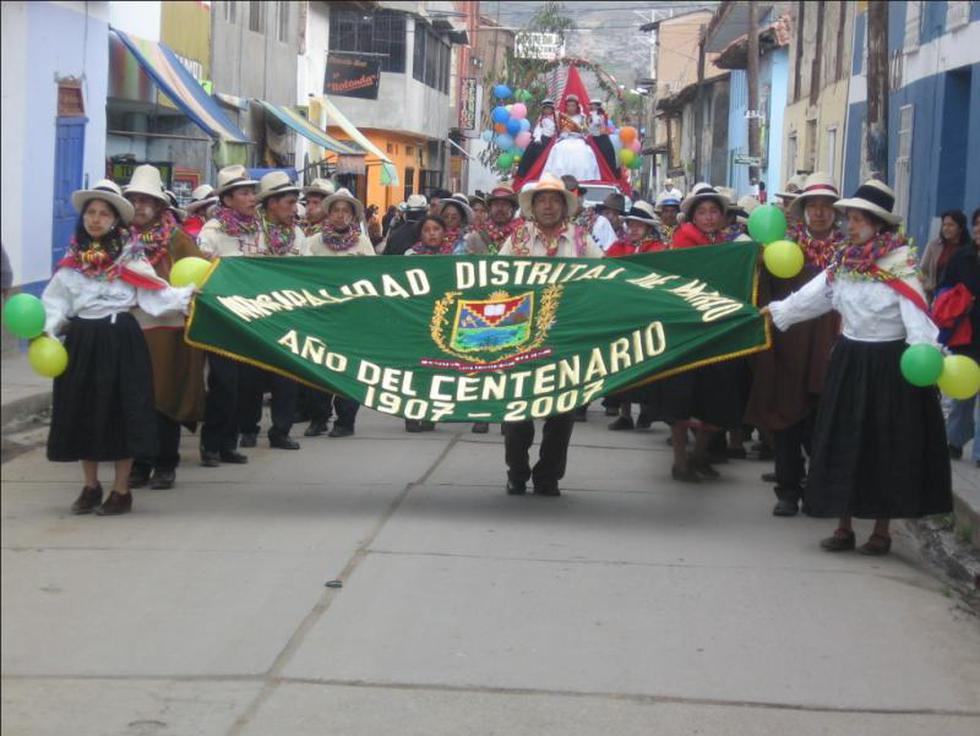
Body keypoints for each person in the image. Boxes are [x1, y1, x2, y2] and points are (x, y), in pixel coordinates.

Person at [764, 179, 953, 555]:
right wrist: (779, 311)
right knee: (842, 440)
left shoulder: (900, 267)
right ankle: (843, 526)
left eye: (855, 219)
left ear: (877, 224)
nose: (848, 226)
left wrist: (926, 354)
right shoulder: (845, 263)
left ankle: (881, 531)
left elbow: (916, 317)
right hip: (850, 361)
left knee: (884, 446)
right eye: (847, 218)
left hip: (890, 368)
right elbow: (817, 295)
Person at [42, 180, 195, 516]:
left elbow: (154, 293)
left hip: (119, 338)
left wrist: (185, 296)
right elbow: (54, 302)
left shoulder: (130, 255)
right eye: (91, 213)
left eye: (103, 214)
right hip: (83, 340)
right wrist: (48, 331)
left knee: (121, 413)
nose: (95, 220)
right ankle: (90, 486)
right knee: (83, 410)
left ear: (115, 221)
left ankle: (121, 490)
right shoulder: (72, 260)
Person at [498, 173, 603, 496]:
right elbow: (496, 279)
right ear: (533, 206)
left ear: (563, 206)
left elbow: (604, 278)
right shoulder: (517, 240)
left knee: (563, 409)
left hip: (567, 335)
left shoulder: (582, 240)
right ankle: (516, 471)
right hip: (521, 334)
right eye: (541, 200)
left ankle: (548, 476)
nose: (547, 206)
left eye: (553, 200)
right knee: (517, 409)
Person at [746, 172, 845, 516]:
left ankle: (820, 489)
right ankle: (788, 489)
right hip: (790, 345)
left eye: (826, 207)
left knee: (825, 422)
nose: (819, 213)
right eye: (813, 206)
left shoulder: (850, 253)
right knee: (786, 417)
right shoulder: (784, 249)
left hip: (833, 345)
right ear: (802, 211)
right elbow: (764, 291)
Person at [640, 184, 744, 481]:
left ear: (723, 217)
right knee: (682, 398)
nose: (709, 217)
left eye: (714, 212)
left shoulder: (725, 245)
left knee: (714, 396)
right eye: (703, 212)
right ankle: (680, 460)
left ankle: (700, 455)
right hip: (687, 330)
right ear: (693, 217)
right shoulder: (684, 242)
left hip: (716, 329)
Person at [123, 165, 207, 491]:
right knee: (135, 400)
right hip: (132, 327)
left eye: (147, 200)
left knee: (166, 397)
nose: (141, 206)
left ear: (159, 206)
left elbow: (200, 277)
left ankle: (165, 464)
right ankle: (139, 464)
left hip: (168, 329)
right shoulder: (120, 241)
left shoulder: (176, 239)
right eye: (135, 199)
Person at [236, 171, 310, 452]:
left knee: (286, 378)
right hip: (255, 315)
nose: (294, 209)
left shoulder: (299, 236)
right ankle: (248, 428)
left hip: (288, 315)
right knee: (251, 379)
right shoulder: (250, 232)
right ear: (271, 204)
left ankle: (281, 430)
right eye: (289, 203)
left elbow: (308, 272)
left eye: (295, 203)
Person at [196, 165, 262, 467]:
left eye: (252, 192)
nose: (251, 198)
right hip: (222, 319)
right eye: (245, 193)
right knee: (223, 383)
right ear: (227, 200)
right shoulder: (212, 232)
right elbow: (200, 267)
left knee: (245, 384)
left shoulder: (258, 229)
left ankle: (229, 443)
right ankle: (210, 444)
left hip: (250, 317)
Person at [301, 188, 375, 439]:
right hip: (322, 313)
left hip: (352, 315)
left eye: (346, 211)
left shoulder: (363, 243)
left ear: (352, 216)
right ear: (328, 214)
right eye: (336, 210)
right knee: (319, 367)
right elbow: (302, 274)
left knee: (349, 368)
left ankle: (345, 420)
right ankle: (319, 418)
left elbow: (373, 276)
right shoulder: (313, 242)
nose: (340, 215)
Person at [604, 200, 666, 432]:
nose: (633, 229)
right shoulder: (618, 248)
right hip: (622, 313)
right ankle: (625, 413)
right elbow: (604, 268)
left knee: (647, 364)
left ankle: (647, 412)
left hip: (648, 315)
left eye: (639, 225)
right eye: (631, 224)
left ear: (648, 228)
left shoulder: (658, 249)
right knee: (623, 364)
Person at [939, 207, 980, 467]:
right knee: (964, 393)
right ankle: (955, 440)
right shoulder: (961, 257)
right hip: (966, 333)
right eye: (977, 224)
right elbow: (945, 287)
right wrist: (956, 302)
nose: (978, 229)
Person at [542, 94, 601, 182]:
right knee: (559, 149)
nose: (571, 108)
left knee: (585, 151)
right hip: (564, 140)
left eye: (573, 106)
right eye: (569, 106)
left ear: (577, 106)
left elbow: (585, 133)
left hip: (578, 140)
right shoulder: (560, 117)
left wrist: (579, 131)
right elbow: (557, 132)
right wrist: (564, 133)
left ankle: (583, 178)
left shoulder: (582, 118)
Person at [921, 209, 970, 301]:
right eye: (944, 225)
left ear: (960, 228)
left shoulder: (968, 249)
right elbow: (921, 271)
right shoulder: (934, 245)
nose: (946, 228)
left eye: (951, 225)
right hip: (935, 298)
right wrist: (929, 286)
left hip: (959, 301)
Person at [463, 184, 521, 256]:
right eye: (496, 204)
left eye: (505, 204)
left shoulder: (523, 237)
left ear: (513, 209)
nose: (500, 208)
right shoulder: (474, 238)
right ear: (489, 208)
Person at [517, 98, 558, 178]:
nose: (547, 111)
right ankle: (524, 172)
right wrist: (537, 138)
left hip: (548, 141)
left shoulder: (556, 118)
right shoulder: (541, 118)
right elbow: (538, 129)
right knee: (530, 153)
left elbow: (555, 130)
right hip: (538, 139)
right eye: (545, 109)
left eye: (549, 109)